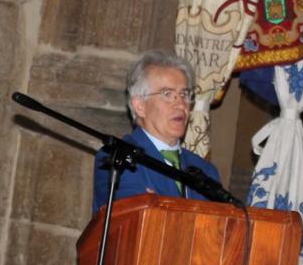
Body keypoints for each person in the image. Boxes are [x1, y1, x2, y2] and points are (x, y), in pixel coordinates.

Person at [91, 50, 222, 212]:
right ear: (140, 106)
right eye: (168, 94)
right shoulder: (117, 158)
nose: (181, 104)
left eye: (184, 94)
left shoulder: (206, 171)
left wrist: (159, 202)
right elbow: (138, 219)